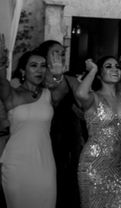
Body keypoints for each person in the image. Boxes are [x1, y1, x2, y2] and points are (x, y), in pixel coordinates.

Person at [0, 48, 65, 208]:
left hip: (45, 163)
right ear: (23, 70)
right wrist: (1, 63)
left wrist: (58, 75)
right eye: (33, 65)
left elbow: (63, 90)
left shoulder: (49, 95)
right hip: (16, 163)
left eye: (43, 66)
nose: (39, 70)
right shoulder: (12, 94)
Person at [76, 56, 121, 208]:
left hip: (118, 166)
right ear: (100, 74)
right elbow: (80, 94)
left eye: (117, 66)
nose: (115, 69)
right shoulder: (94, 98)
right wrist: (92, 70)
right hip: (93, 165)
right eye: (108, 66)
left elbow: (120, 126)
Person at [34, 40, 85, 208]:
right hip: (46, 137)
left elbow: (85, 107)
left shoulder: (71, 79)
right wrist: (57, 77)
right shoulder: (37, 79)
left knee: (69, 183)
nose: (60, 56)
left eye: (62, 53)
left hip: (70, 137)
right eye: (55, 53)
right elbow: (53, 101)